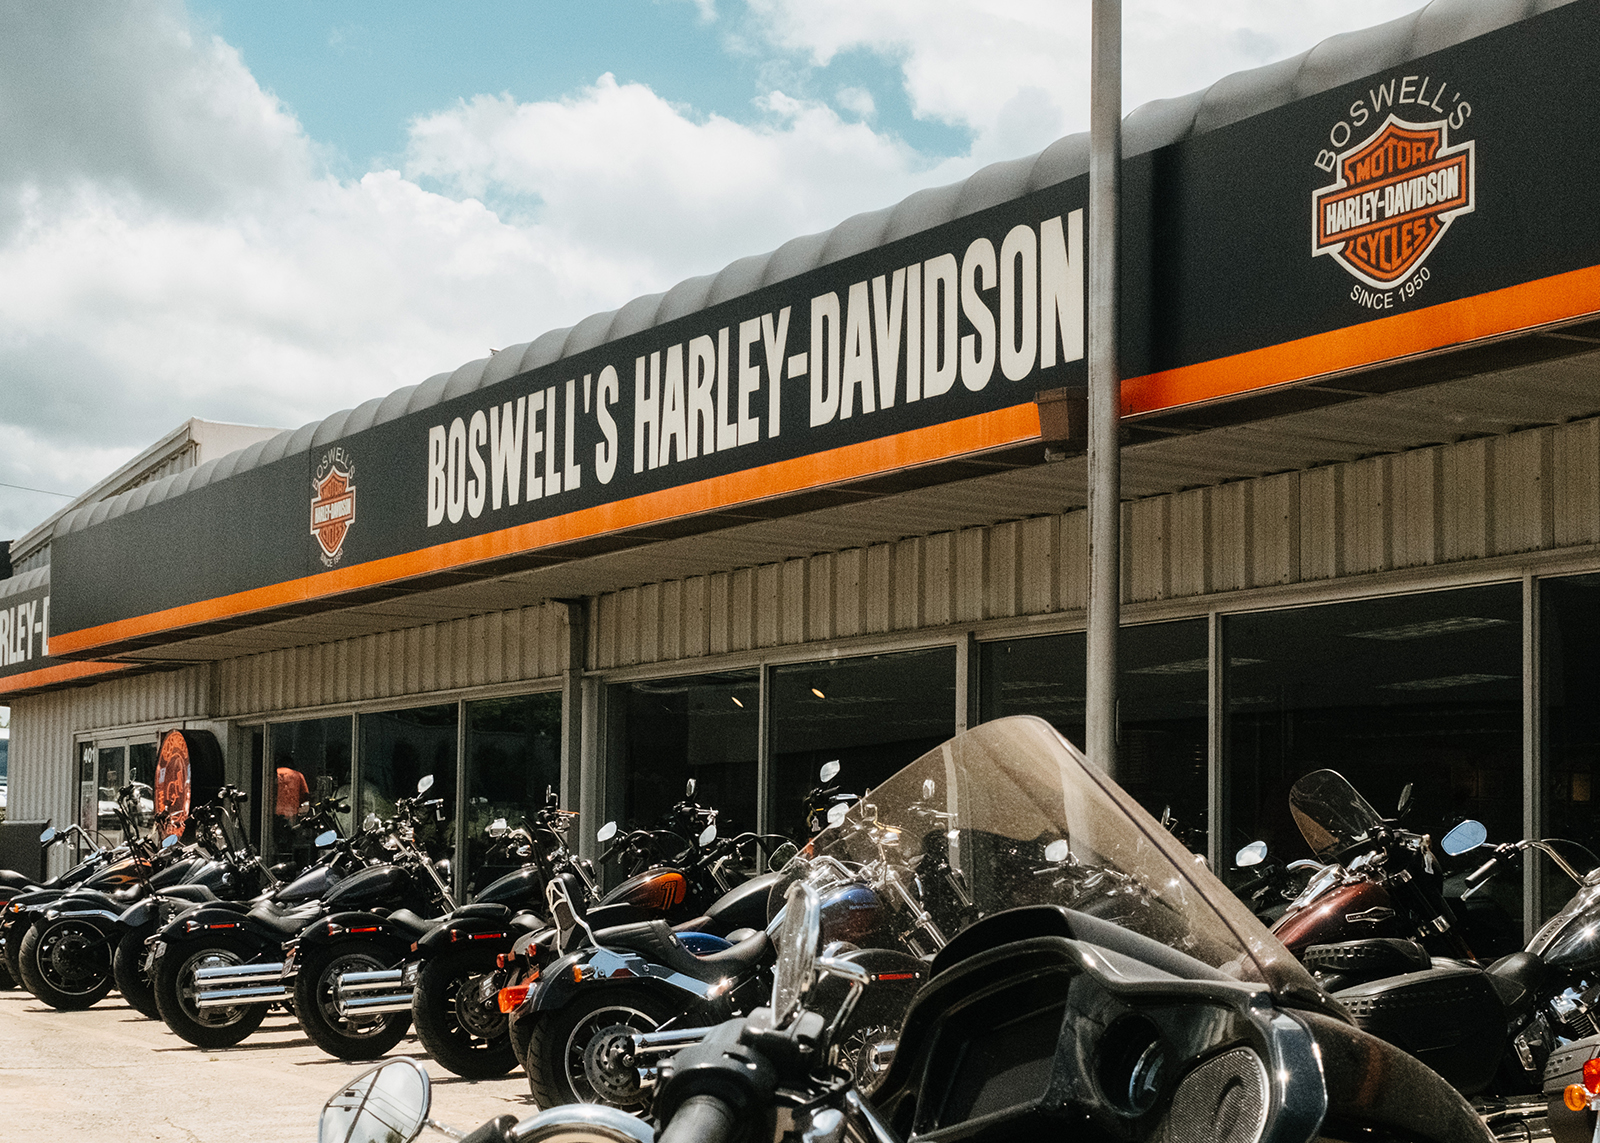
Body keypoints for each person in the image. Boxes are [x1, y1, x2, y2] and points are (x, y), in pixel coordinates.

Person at [275, 758, 310, 853]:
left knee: (275, 838)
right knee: (290, 836)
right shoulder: (298, 775)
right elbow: (305, 796)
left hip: (275, 811)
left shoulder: (275, 773)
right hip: (291, 812)